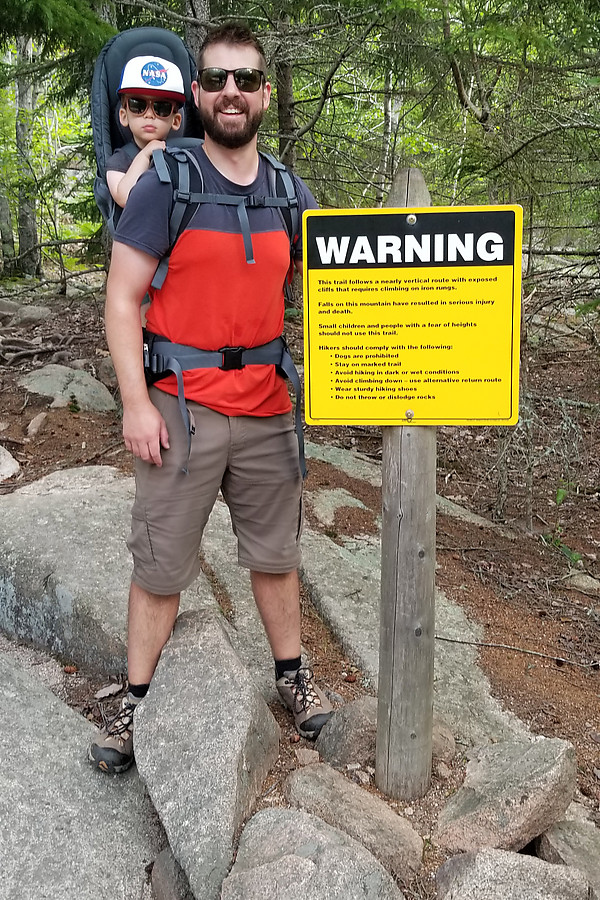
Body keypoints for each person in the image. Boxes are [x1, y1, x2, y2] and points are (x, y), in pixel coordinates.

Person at [89, 22, 333, 775]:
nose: (233, 92)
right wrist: (135, 405)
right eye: (218, 79)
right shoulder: (166, 182)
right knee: (160, 565)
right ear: (198, 95)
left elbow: (342, 296)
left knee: (276, 555)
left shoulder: (292, 194)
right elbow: (123, 300)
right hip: (179, 408)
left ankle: (292, 677)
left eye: (247, 80)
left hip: (265, 406)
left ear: (263, 93)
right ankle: (136, 701)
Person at [106, 54, 185, 208]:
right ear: (124, 116)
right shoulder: (120, 160)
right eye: (138, 105)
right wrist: (145, 154)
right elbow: (124, 198)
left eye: (161, 108)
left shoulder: (184, 156)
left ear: (175, 121)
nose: (149, 115)